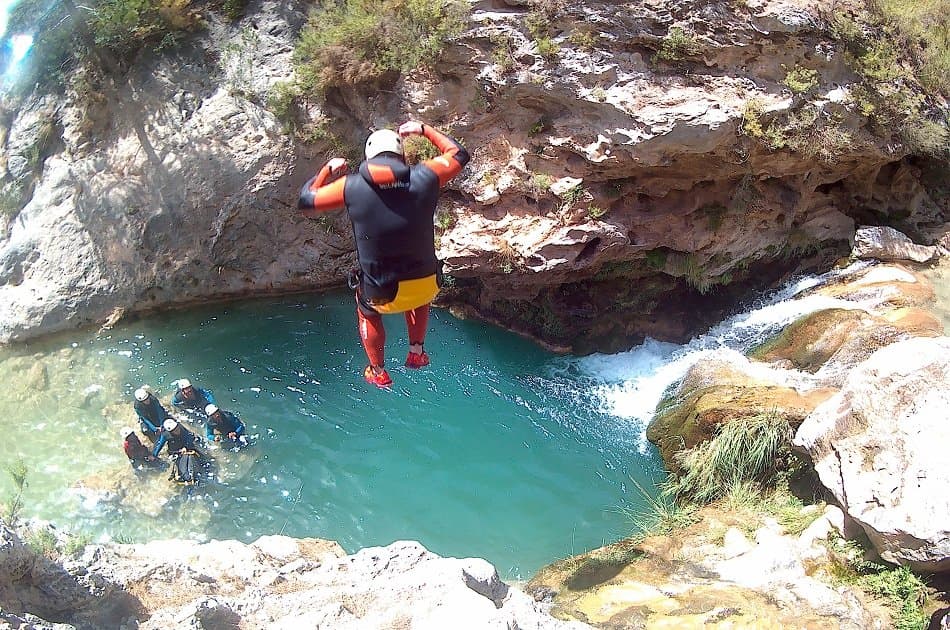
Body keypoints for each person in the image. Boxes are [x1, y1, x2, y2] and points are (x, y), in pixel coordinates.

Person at [298, 121, 469, 387]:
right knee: (418, 288)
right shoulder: (425, 176)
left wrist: (326, 171)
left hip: (382, 294)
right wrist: (424, 129)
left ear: (368, 157)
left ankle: (378, 370)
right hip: (428, 285)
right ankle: (417, 353)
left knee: (366, 309)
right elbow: (459, 154)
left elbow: (307, 200)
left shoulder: (351, 187)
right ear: (401, 156)